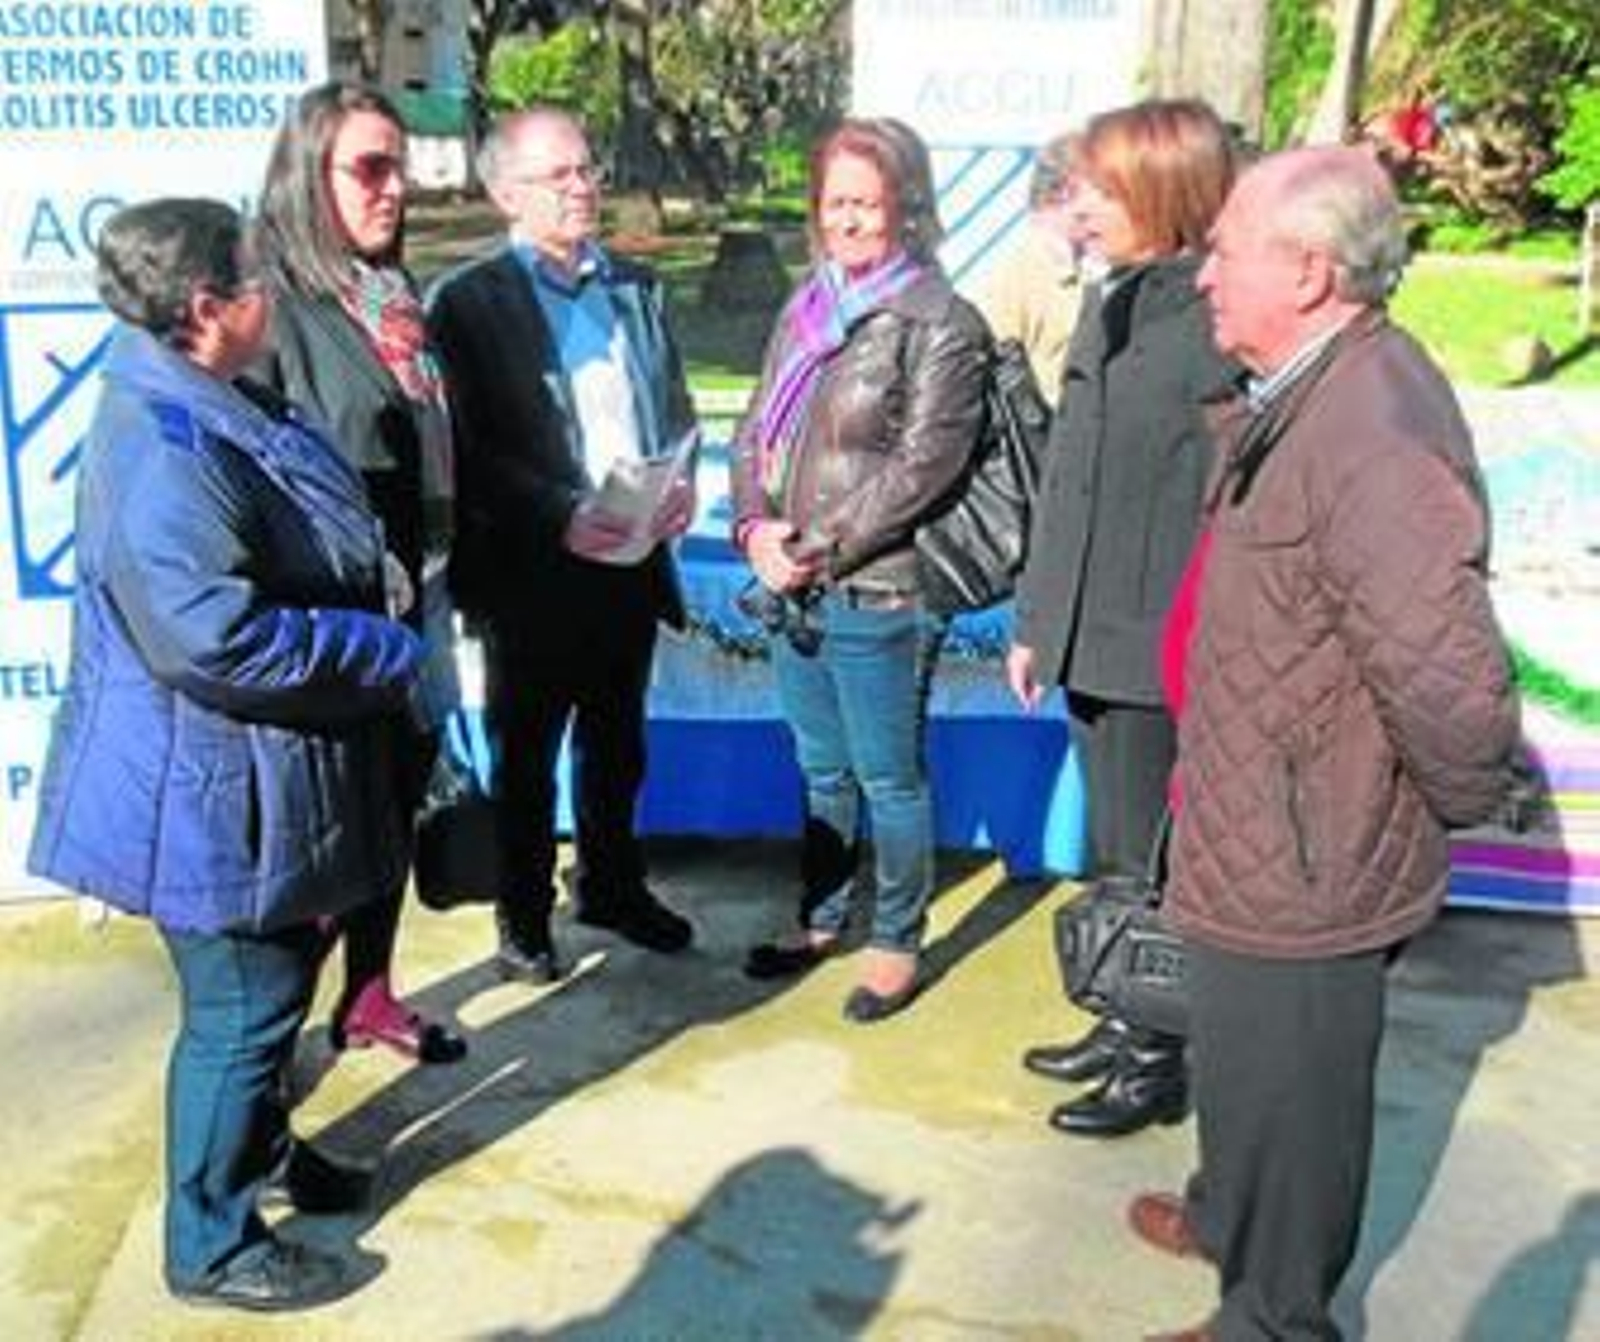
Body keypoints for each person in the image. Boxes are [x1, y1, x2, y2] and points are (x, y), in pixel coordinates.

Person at [1130, 147, 1520, 1342]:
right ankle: (1229, 1218)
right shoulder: (1313, 380)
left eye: (1229, 250)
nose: (1203, 276)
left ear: (1305, 271)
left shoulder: (1373, 430)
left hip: (1310, 847)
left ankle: (1271, 1314)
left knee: (1293, 1097)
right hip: (1258, 803)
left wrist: (1411, 809)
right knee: (1244, 1062)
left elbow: (1452, 693)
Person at [28, 199, 421, 1310]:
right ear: (206, 310)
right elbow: (216, 638)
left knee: (273, 992)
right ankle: (211, 1238)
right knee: (242, 1011)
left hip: (249, 775)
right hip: (204, 791)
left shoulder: (204, 391)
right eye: (259, 280)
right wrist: (376, 642)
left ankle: (260, 1153)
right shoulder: (163, 447)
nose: (279, 295)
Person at [1006, 99, 1237, 1137]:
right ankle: (1118, 1007)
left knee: (1150, 858)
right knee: (1113, 847)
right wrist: (1035, 623)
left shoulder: (1211, 327)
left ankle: (1156, 1056)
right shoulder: (1113, 302)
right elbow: (1069, 485)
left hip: (1156, 646)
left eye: (1100, 189)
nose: (1079, 207)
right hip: (1091, 635)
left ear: (1164, 193)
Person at [426, 108, 698, 982]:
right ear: (507, 193)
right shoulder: (465, 303)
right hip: (530, 572)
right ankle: (525, 912)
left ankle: (613, 885)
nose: (583, 188)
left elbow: (673, 398)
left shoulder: (637, 286)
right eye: (561, 176)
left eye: (590, 171)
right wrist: (557, 514)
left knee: (620, 743)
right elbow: (468, 448)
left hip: (632, 556)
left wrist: (682, 477)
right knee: (528, 751)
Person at [729, 117, 989, 1021]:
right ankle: (822, 916)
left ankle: (896, 940)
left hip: (880, 585)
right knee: (822, 771)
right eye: (834, 202)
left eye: (866, 204)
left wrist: (814, 548)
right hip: (793, 583)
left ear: (907, 211)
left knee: (887, 775)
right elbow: (753, 427)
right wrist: (755, 527)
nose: (847, 221)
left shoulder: (940, 322)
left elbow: (927, 466)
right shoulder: (803, 309)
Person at [254, 81, 467, 1066]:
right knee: (339, 827)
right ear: (310, 175)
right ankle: (263, 1063)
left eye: (401, 168)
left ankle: (371, 995)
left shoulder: (391, 289)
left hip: (418, 593)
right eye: (368, 168)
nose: (394, 190)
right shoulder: (273, 307)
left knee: (401, 802)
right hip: (334, 617)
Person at [973, 130, 1091, 404]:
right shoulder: (1016, 276)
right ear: (1064, 191)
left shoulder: (1083, 266)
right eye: (1100, 189)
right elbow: (993, 383)